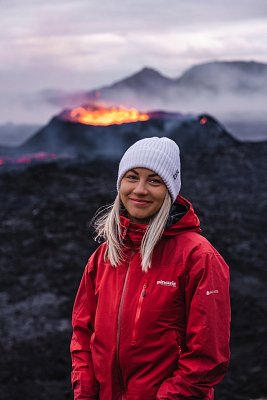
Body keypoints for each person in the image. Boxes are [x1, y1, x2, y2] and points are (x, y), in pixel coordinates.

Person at [70, 137, 231, 400]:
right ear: (120, 183)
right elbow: (82, 336)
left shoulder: (198, 257)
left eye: (155, 181)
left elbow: (207, 357)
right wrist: (85, 394)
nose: (140, 189)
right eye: (132, 177)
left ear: (170, 190)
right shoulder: (103, 258)